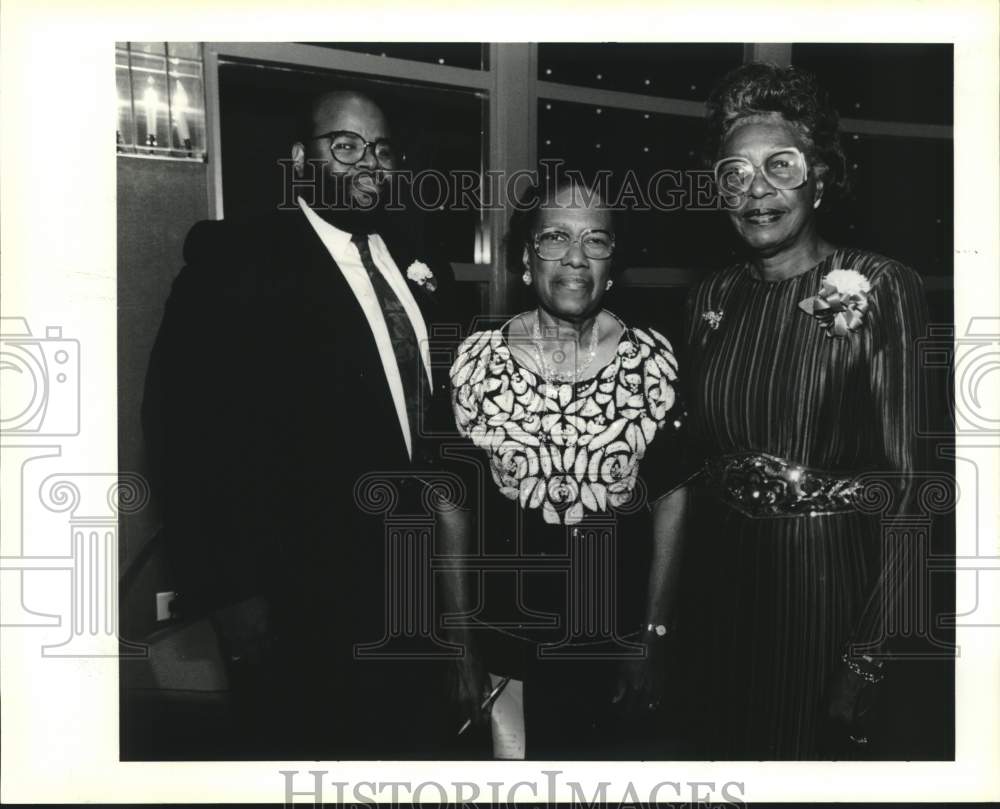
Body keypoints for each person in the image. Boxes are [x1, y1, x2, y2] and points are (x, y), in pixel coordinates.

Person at [141, 89, 458, 758]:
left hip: (416, 583)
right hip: (300, 601)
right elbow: (183, 434)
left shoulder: (416, 259)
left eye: (381, 149)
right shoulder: (238, 262)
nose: (368, 163)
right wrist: (230, 593)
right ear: (298, 159)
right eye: (345, 145)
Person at [682, 62, 928, 758]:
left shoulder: (880, 285)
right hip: (722, 591)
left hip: (829, 595)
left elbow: (913, 485)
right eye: (734, 172)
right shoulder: (710, 297)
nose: (755, 190)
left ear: (820, 177)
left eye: (780, 166)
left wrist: (870, 653)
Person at [437, 176, 695, 759]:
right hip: (505, 645)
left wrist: (652, 639)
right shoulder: (473, 361)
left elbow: (672, 499)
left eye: (596, 241)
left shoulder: (655, 361)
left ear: (614, 261)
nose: (575, 257)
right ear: (526, 257)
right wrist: (460, 645)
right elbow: (450, 507)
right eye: (554, 237)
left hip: (615, 645)